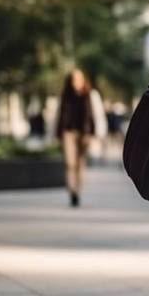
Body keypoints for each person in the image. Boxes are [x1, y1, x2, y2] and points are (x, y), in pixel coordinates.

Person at [56, 68, 94, 207]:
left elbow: (92, 116)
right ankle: (72, 191)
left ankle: (78, 190)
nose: (76, 82)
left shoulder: (88, 95)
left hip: (83, 133)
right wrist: (58, 133)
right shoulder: (65, 95)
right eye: (74, 79)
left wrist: (91, 134)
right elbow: (59, 115)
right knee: (69, 163)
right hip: (68, 133)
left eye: (79, 78)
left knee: (80, 164)